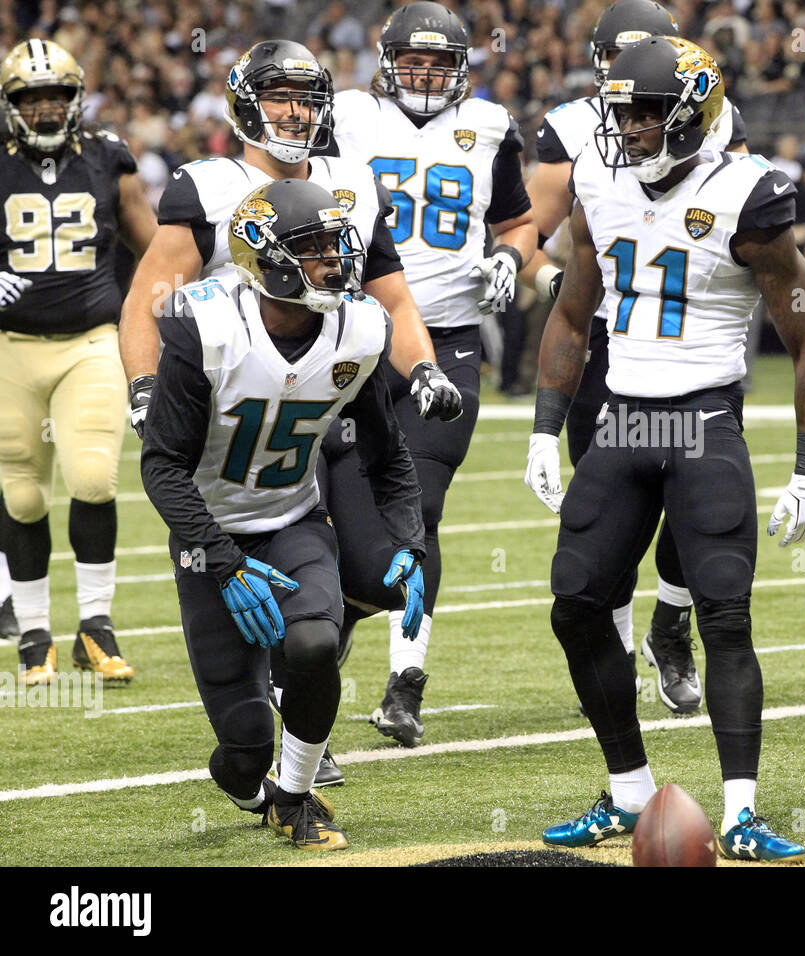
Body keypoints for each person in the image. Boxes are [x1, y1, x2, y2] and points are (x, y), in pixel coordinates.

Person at [120, 38, 462, 785]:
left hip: (327, 402)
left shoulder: (351, 184)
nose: (296, 111)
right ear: (246, 101)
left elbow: (392, 296)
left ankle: (302, 672)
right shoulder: (209, 186)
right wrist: (145, 386)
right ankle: (284, 697)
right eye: (281, 95)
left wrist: (425, 367)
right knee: (271, 580)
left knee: (377, 573)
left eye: (308, 98)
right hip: (237, 417)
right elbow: (149, 299)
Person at [524, 37, 805, 860]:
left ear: (693, 114)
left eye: (647, 112)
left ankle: (740, 813)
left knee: (725, 617)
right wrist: (546, 428)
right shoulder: (599, 179)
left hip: (702, 421)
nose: (628, 128)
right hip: (624, 418)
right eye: (620, 111)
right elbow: (570, 311)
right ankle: (628, 790)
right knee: (576, 603)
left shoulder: (747, 193)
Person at [140, 179, 425, 851]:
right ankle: (257, 789)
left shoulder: (358, 330)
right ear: (264, 258)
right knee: (242, 748)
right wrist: (225, 562)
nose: (334, 262)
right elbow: (161, 467)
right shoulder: (204, 326)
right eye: (314, 248)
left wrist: (409, 540)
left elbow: (387, 456)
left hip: (294, 520)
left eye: (336, 245)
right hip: (207, 536)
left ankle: (296, 798)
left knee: (314, 644)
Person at [522, 0, 750, 716]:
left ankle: (672, 621)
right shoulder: (571, 132)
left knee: (696, 513)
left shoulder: (715, 121)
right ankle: (617, 647)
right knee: (608, 517)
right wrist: (551, 283)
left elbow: (727, 223)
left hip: (695, 351)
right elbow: (533, 234)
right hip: (611, 348)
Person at [321, 1, 536, 746]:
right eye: (411, 62)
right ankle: (343, 613)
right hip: (349, 334)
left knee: (423, 507)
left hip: (446, 339)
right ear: (385, 63)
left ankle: (407, 679)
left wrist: (511, 257)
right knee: (338, 517)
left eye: (439, 63)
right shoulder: (345, 116)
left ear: (461, 69)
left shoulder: (489, 126)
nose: (424, 75)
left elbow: (517, 220)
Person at [0, 39, 157, 686]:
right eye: (30, 98)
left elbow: (158, 250)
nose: (42, 109)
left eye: (54, 96)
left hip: (92, 341)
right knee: (23, 495)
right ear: (12, 105)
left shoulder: (108, 157)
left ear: (75, 98)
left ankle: (97, 622)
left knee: (93, 478)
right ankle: (34, 633)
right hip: (10, 349)